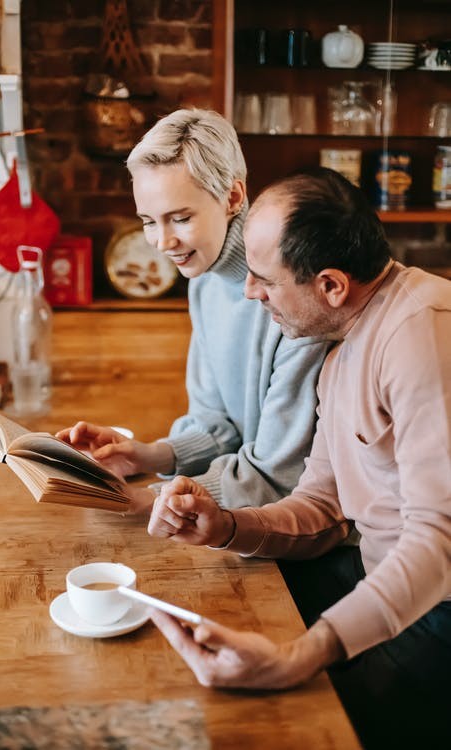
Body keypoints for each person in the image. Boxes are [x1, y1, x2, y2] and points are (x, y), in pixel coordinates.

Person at [146, 167, 451, 749]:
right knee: (215, 604)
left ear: (331, 285)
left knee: (277, 724)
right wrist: (225, 524)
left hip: (441, 605)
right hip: (377, 572)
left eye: (264, 279)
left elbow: (439, 542)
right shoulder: (338, 352)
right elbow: (321, 506)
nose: (249, 293)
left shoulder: (422, 332)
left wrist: (298, 659)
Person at [57, 109, 329, 513]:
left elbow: (279, 475)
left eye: (180, 218)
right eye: (149, 221)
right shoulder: (204, 277)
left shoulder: (296, 299)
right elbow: (216, 423)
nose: (163, 241)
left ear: (233, 198)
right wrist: (147, 456)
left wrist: (146, 500)